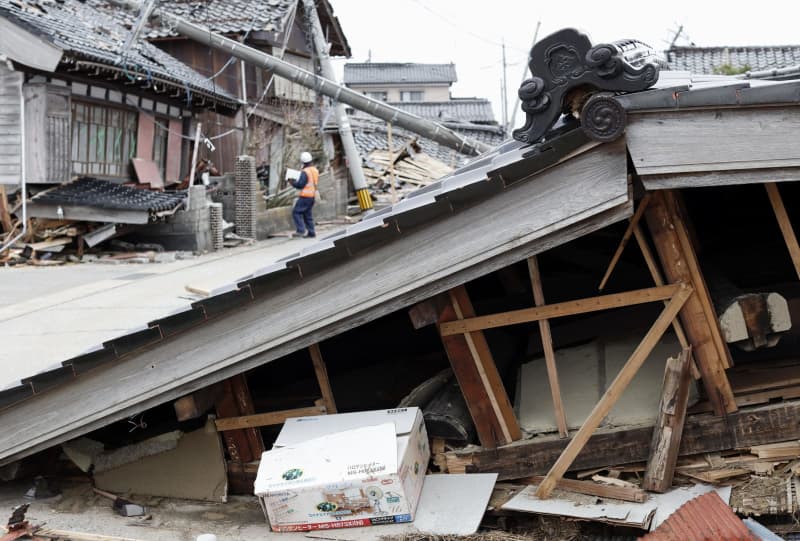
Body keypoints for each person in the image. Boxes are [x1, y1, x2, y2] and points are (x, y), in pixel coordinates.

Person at [288, 151, 319, 238]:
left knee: (296, 212)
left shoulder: (305, 172)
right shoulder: (315, 170)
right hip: (312, 196)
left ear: (302, 162)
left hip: (305, 196)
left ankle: (300, 230)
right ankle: (311, 232)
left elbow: (300, 185)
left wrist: (292, 182)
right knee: (307, 215)